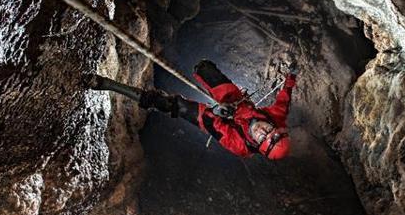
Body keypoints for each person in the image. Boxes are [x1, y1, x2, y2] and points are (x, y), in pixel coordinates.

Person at [87, 59, 298, 160]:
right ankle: (187, 62)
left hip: (218, 121)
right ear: (275, 127)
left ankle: (115, 87)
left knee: (175, 105)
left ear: (258, 146)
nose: (263, 131)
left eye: (263, 138)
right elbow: (283, 101)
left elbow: (215, 127)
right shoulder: (275, 117)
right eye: (269, 130)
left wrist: (214, 113)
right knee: (203, 68)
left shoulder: (240, 145)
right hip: (237, 102)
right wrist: (290, 79)